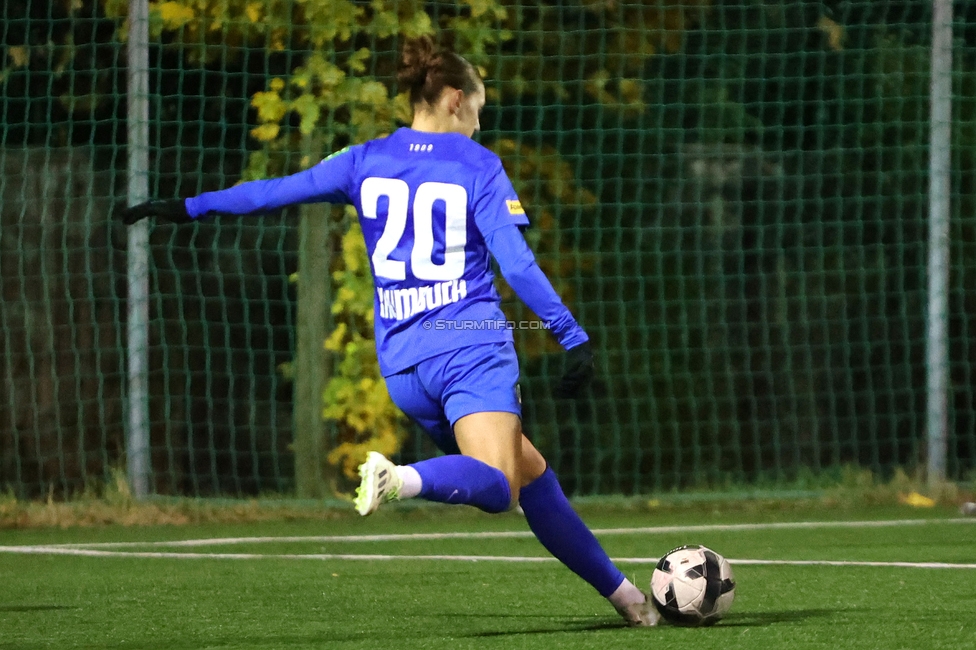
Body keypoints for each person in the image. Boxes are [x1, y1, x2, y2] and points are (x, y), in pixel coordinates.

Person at [122, 35, 659, 627]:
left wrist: (190, 207)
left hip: (404, 366)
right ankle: (397, 477)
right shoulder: (479, 166)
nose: (480, 125)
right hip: (470, 348)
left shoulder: (364, 159)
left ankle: (627, 599)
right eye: (479, 110)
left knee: (528, 474)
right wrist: (571, 335)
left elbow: (273, 193)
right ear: (455, 99)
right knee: (502, 486)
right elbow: (519, 265)